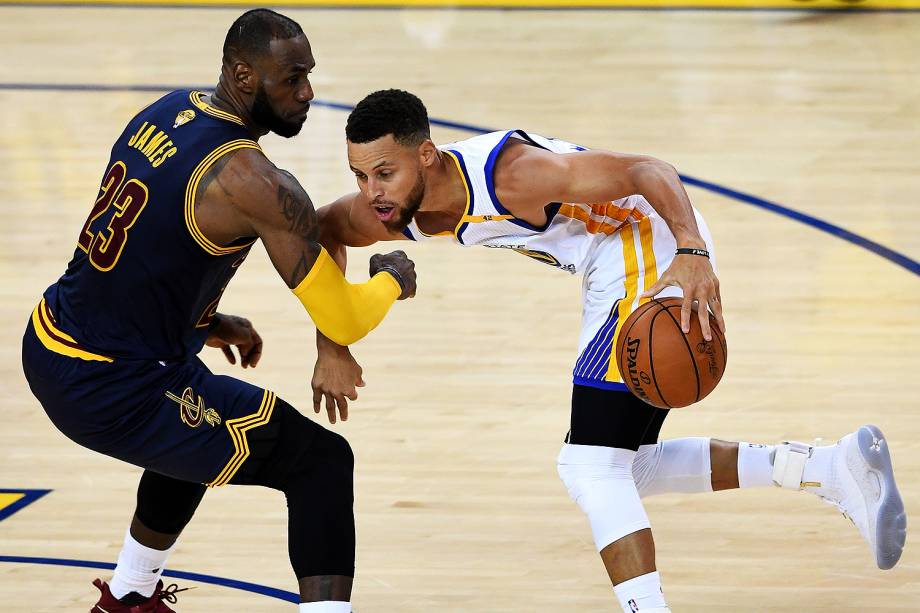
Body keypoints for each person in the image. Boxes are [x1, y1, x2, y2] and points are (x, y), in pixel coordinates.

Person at [312, 89, 906, 613]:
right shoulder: (399, 208)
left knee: (591, 465)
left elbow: (650, 169)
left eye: (383, 174)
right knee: (629, 465)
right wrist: (331, 341)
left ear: (426, 155)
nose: (371, 192)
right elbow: (321, 231)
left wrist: (694, 254)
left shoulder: (513, 177)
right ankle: (827, 468)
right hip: (609, 267)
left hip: (651, 246)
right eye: (360, 176)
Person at [20, 11, 417, 613]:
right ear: (243, 75)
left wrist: (202, 321)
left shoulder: (166, 110)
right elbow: (344, 319)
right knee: (320, 463)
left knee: (199, 421)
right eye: (292, 79)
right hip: (109, 382)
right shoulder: (252, 181)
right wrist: (389, 279)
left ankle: (129, 595)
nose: (307, 93)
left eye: (309, 75)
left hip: (55, 335)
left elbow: (135, 247)